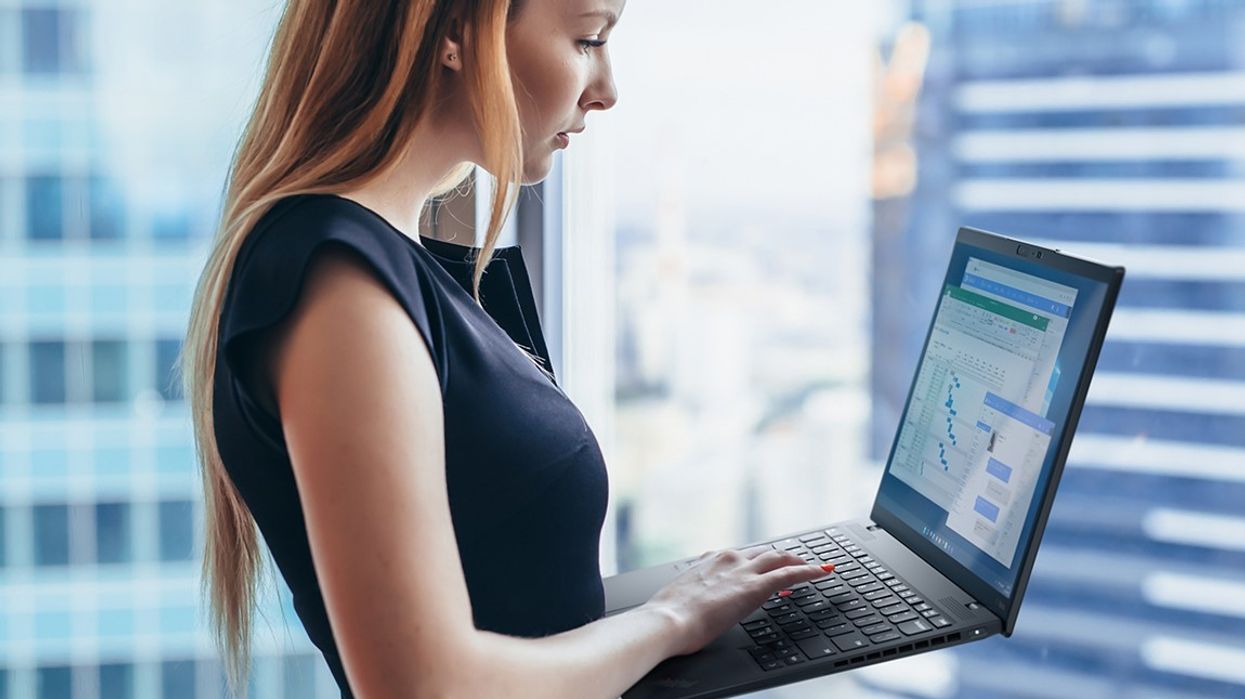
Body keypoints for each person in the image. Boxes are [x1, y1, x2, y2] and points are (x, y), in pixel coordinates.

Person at [179, 1, 831, 696]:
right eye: (586, 40)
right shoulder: (342, 286)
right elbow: (422, 685)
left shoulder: (378, 261)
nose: (605, 89)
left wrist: (673, 612)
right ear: (457, 32)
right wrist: (671, 618)